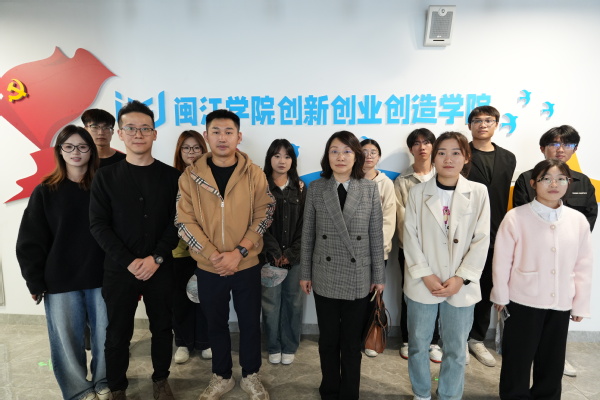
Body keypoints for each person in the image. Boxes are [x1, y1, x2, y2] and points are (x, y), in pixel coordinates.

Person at [175, 109, 275, 400]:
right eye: (216, 132)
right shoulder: (191, 176)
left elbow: (265, 212)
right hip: (210, 267)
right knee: (215, 324)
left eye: (228, 132)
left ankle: (251, 375)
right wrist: (213, 255)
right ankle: (222, 376)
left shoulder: (254, 173)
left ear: (238, 136)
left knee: (249, 323)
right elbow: (183, 220)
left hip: (247, 264)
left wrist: (240, 251)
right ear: (206, 136)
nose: (222, 137)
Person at [90, 100, 181, 400]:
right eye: (131, 128)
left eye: (145, 128)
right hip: (119, 270)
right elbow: (98, 225)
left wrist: (157, 258)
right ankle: (117, 386)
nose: (138, 134)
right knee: (117, 332)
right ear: (120, 133)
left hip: (160, 268)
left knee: (162, 327)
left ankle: (161, 379)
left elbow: (177, 222)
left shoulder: (171, 177)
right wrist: (129, 262)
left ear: (155, 133)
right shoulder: (105, 177)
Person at [16, 125, 110, 400]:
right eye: (68, 146)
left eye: (82, 146)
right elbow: (30, 239)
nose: (75, 152)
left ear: (91, 151)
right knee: (66, 341)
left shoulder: (104, 187)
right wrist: (34, 280)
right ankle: (78, 390)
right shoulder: (46, 191)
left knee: (107, 336)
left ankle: (104, 381)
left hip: (102, 275)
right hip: (60, 278)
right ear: (59, 151)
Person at [491, 159, 593, 400]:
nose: (554, 184)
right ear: (533, 183)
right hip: (522, 300)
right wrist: (500, 296)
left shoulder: (577, 220)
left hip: (561, 302)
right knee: (518, 358)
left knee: (552, 360)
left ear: (569, 182)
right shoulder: (516, 217)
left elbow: (583, 265)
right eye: (546, 178)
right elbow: (502, 260)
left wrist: (580, 304)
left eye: (561, 179)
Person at [403, 132, 490, 400]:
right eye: (441, 153)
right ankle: (421, 393)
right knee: (418, 345)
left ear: (466, 157)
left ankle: (449, 394)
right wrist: (426, 275)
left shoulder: (478, 192)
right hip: (423, 282)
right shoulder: (417, 192)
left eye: (455, 153)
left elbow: (482, 239)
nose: (448, 159)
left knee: (456, 348)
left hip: (460, 285)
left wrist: (461, 278)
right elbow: (410, 236)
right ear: (434, 157)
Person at [300, 130, 385, 400]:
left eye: (347, 151)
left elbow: (376, 235)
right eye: (334, 151)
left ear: (356, 156)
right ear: (327, 156)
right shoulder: (317, 188)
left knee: (350, 343)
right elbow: (308, 234)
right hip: (324, 274)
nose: (340, 157)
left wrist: (379, 276)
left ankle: (349, 393)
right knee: (328, 341)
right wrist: (305, 272)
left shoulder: (369, 189)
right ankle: (329, 389)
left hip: (358, 276)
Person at [512, 125, 597, 377]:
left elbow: (587, 221)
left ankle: (556, 359)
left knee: (557, 322)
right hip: (532, 261)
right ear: (542, 148)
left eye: (567, 144)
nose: (561, 149)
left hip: (566, 263)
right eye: (554, 143)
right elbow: (521, 218)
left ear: (575, 150)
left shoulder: (583, 182)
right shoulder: (528, 178)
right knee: (527, 324)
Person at [465, 105, 516, 367]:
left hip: (496, 233)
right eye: (477, 120)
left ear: (496, 124)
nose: (483, 124)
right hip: (463, 233)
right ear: (469, 125)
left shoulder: (508, 158)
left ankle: (476, 339)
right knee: (460, 286)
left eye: (488, 120)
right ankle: (456, 338)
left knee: (486, 287)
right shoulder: (459, 154)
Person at [393, 128, 442, 363]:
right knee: (409, 293)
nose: (422, 147)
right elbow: (402, 218)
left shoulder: (443, 176)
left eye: (427, 142)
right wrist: (415, 245)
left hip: (440, 249)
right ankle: (408, 339)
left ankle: (434, 342)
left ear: (433, 146)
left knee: (437, 292)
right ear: (411, 148)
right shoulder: (402, 181)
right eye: (417, 143)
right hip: (410, 250)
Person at [261, 139, 306, 366]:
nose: (282, 161)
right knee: (270, 304)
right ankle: (273, 346)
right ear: (270, 158)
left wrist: (292, 252)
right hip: (269, 257)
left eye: (287, 156)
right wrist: (275, 251)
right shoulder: (260, 185)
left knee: (293, 302)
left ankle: (289, 345)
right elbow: (257, 222)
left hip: (295, 257)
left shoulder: (300, 187)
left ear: (292, 161)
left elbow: (305, 224)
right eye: (277, 155)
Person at [171, 130, 212, 364]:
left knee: (205, 297)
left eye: (196, 147)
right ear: (179, 151)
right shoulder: (171, 178)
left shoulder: (210, 178)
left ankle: (205, 341)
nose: (192, 152)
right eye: (186, 148)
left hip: (206, 250)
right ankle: (183, 343)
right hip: (179, 250)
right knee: (180, 299)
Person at [359, 138, 395, 358]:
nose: (369, 156)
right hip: (354, 252)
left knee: (374, 295)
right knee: (356, 297)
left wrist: (379, 248)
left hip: (378, 250)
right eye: (364, 151)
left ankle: (370, 338)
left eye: (373, 152)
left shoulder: (386, 183)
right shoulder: (351, 179)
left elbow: (389, 219)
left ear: (379, 157)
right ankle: (355, 336)